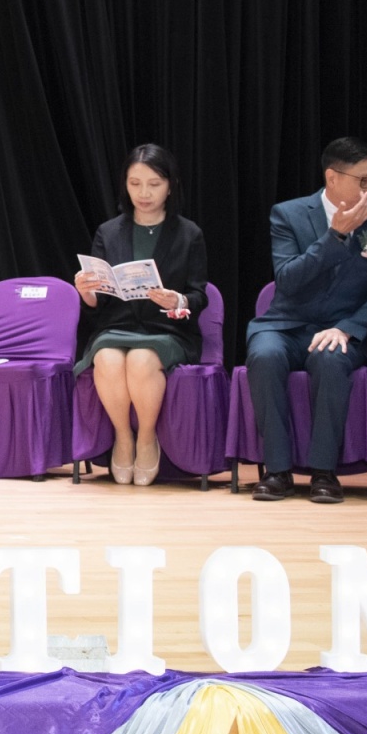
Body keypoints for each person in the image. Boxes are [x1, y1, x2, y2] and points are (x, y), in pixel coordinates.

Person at [245, 136, 367, 503]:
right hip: (285, 325)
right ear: (332, 177)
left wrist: (346, 328)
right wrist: (335, 235)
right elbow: (288, 279)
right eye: (364, 180)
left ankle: (324, 473)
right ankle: (277, 471)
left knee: (330, 359)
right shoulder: (288, 214)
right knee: (264, 355)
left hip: (342, 329)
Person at [71, 144, 208, 486]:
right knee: (106, 359)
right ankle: (123, 436)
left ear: (170, 186)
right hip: (117, 327)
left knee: (142, 360)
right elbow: (98, 304)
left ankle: (147, 437)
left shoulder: (189, 233)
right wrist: (86, 291)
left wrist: (175, 299)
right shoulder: (108, 232)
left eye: (154, 184)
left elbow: (198, 295)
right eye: (135, 184)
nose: (144, 193)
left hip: (167, 330)